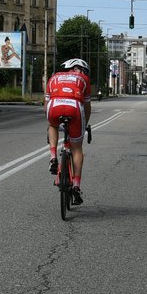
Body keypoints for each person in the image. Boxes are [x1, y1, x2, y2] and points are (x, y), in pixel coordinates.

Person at [45, 58, 92, 205]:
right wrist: (84, 125)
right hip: (75, 107)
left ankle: (53, 157)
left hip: (54, 105)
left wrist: (52, 120)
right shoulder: (84, 79)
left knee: (52, 125)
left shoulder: (53, 77)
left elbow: (46, 104)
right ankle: (77, 186)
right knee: (77, 148)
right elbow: (87, 107)